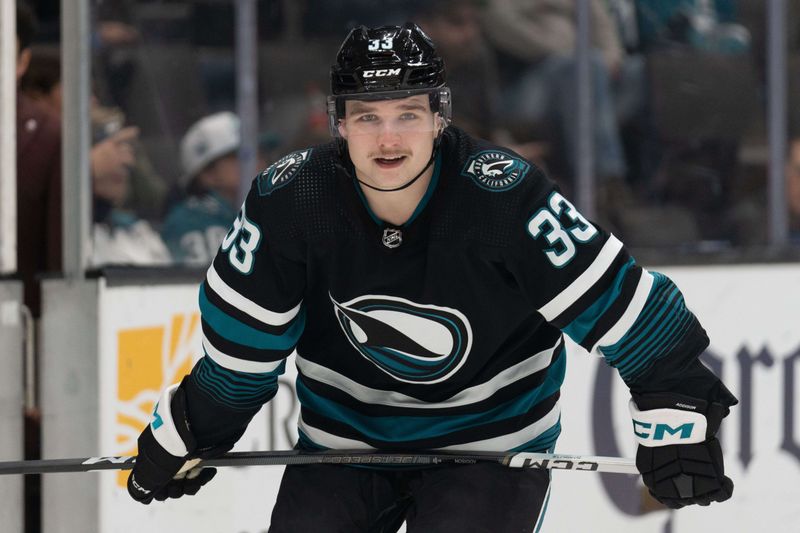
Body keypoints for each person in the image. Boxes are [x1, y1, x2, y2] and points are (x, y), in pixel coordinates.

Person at [126, 23, 737, 531]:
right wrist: (188, 430)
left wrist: (678, 414)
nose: (389, 138)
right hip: (344, 447)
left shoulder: (500, 198)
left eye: (407, 115)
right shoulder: (291, 201)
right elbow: (240, 361)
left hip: (491, 447)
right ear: (338, 123)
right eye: (367, 117)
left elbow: (631, 315)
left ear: (439, 117)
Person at [160, 112, 242, 266]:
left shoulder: (269, 210)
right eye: (239, 156)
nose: (258, 161)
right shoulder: (188, 221)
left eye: (260, 152)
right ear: (208, 174)